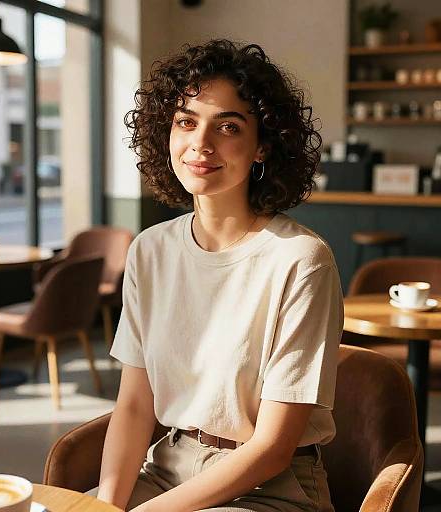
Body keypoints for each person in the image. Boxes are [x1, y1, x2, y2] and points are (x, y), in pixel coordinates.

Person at [93, 39, 344, 512]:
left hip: (269, 486)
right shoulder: (149, 250)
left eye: (228, 126)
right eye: (186, 122)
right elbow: (133, 406)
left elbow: (271, 449)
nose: (201, 144)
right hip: (167, 466)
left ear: (263, 145)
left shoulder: (302, 260)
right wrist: (106, 506)